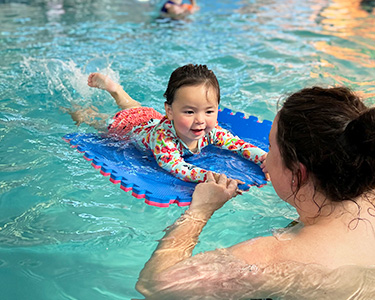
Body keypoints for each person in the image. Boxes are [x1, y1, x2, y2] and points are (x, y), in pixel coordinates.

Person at [135, 86, 375, 299]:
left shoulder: (274, 259)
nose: (266, 158)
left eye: (271, 148)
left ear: (298, 174)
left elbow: (156, 286)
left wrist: (200, 211)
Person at [69, 64, 267, 184]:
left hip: (150, 117)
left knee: (133, 106)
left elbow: (239, 145)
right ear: (170, 111)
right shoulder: (163, 140)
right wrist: (215, 177)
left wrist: (266, 159)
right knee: (97, 121)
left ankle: (117, 91)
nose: (200, 120)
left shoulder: (210, 130)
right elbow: (179, 168)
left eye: (209, 111)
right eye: (189, 111)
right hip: (126, 128)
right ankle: (80, 109)